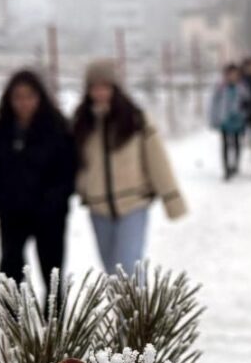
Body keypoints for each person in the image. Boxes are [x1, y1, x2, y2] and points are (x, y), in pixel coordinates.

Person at [72, 59, 187, 274]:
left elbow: (157, 161)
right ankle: (121, 309)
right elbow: (74, 163)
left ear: (115, 88)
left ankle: (140, 308)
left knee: (128, 267)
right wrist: (82, 187)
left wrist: (172, 200)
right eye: (94, 87)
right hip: (98, 208)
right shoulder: (82, 124)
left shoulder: (135, 120)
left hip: (133, 204)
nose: (100, 92)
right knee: (111, 270)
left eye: (105, 86)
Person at [0, 70, 76, 281]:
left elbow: (68, 171)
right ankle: (13, 314)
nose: (24, 103)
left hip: (50, 214)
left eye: (30, 96)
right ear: (9, 99)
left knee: (52, 275)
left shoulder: (58, 128)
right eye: (18, 97)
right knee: (10, 273)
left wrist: (55, 201)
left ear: (40, 98)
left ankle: (52, 315)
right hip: (12, 214)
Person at [209, 63, 251, 180]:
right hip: (224, 120)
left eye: (235, 74)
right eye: (230, 74)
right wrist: (214, 119)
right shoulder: (220, 87)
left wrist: (244, 113)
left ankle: (236, 164)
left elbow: (248, 101)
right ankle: (226, 169)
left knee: (237, 142)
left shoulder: (242, 87)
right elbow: (214, 104)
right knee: (225, 145)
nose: (232, 77)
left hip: (238, 119)